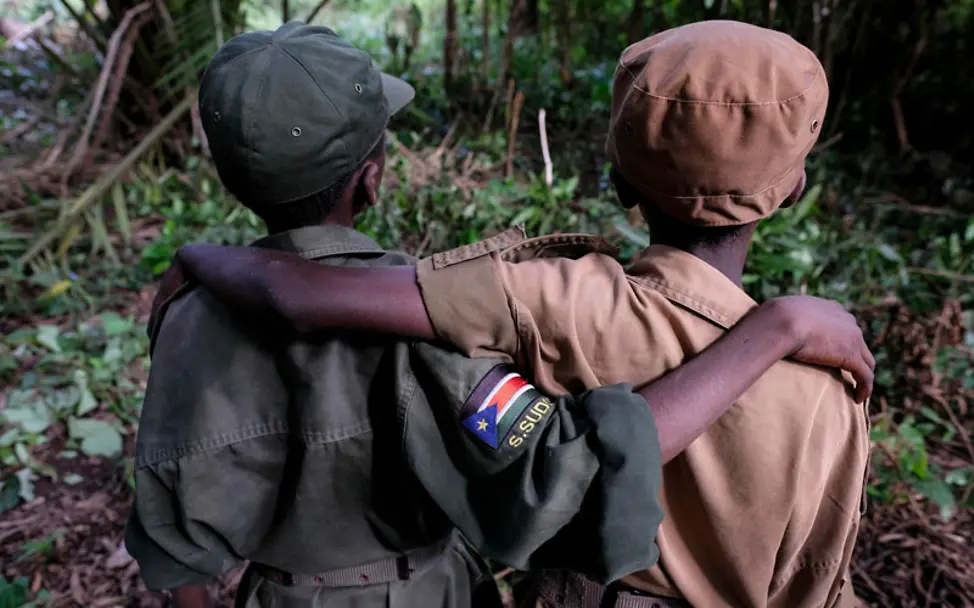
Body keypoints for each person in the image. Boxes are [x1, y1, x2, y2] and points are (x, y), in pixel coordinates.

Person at [128, 22, 873, 608]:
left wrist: (198, 257)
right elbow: (552, 468)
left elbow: (172, 533)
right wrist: (777, 328)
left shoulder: (189, 320)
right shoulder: (435, 333)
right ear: (375, 177)